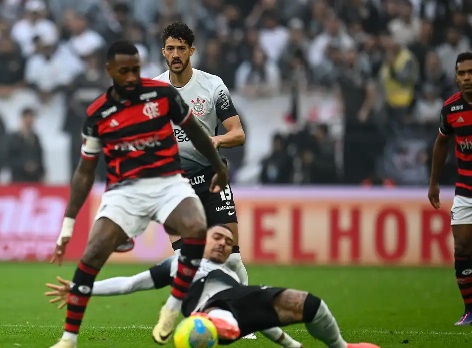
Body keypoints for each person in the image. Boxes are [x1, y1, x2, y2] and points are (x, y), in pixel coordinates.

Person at [48, 40, 228, 348]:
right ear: (109, 70)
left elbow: (196, 131)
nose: (131, 77)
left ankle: (172, 307)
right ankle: (68, 340)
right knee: (91, 255)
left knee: (196, 227)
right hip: (125, 192)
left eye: (135, 69)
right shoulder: (97, 113)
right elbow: (84, 170)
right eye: (124, 71)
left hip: (168, 182)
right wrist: (67, 224)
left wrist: (217, 166)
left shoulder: (162, 95)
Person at [46, 225, 380, 348]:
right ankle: (208, 327)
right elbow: (129, 284)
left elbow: (263, 322)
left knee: (309, 303)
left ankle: (341, 347)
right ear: (203, 241)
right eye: (217, 237)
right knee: (220, 314)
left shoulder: (233, 272)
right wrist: (81, 289)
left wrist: (292, 345)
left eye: (228, 241)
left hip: (238, 303)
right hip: (211, 309)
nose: (223, 244)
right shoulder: (178, 263)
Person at [117, 22, 249, 288]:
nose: (175, 54)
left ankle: (245, 317)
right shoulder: (150, 90)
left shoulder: (213, 86)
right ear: (163, 52)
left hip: (212, 178)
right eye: (170, 49)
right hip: (174, 185)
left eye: (181, 48)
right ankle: (204, 310)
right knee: (185, 260)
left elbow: (238, 134)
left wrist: (215, 140)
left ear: (191, 51)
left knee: (232, 259)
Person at [428, 51, 472, 326]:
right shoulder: (451, 109)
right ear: (456, 77)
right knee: (463, 248)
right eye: (462, 73)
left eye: (471, 72)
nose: (467, 78)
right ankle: (470, 310)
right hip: (465, 191)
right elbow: (441, 144)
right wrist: (433, 182)